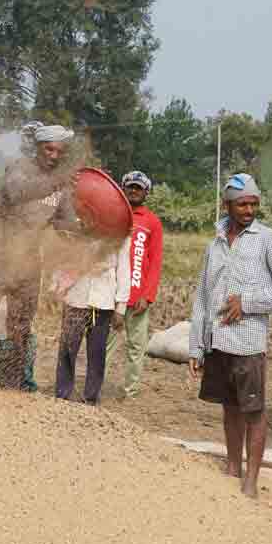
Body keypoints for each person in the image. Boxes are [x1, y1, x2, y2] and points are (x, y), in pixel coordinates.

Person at [188, 173, 272, 498]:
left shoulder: (270, 240)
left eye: (253, 203)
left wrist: (248, 303)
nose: (249, 209)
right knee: (229, 406)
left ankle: (251, 480)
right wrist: (197, 346)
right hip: (217, 341)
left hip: (248, 342)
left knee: (253, 411)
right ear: (228, 205)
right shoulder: (216, 243)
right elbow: (202, 296)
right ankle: (232, 467)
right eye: (242, 204)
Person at [0, 123, 83, 388]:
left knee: (21, 328)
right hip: (0, 259)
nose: (54, 156)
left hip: (30, 264)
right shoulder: (19, 168)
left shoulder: (62, 188)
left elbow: (65, 224)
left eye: (59, 151)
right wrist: (59, 180)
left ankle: (15, 387)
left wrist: (92, 225)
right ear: (38, 147)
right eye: (49, 149)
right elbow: (17, 193)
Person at [106, 170, 163, 397]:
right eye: (130, 186)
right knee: (105, 345)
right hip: (111, 296)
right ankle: (96, 385)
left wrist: (147, 296)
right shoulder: (112, 216)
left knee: (136, 347)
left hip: (138, 298)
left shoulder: (152, 222)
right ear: (123, 188)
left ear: (146, 192)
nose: (133, 191)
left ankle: (131, 392)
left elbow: (155, 262)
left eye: (138, 188)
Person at [54, 235, 130, 405]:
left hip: (103, 299)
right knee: (67, 348)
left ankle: (91, 397)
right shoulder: (76, 226)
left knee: (97, 352)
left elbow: (124, 269)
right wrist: (57, 285)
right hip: (76, 296)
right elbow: (62, 256)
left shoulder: (121, 230)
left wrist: (121, 307)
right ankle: (62, 394)